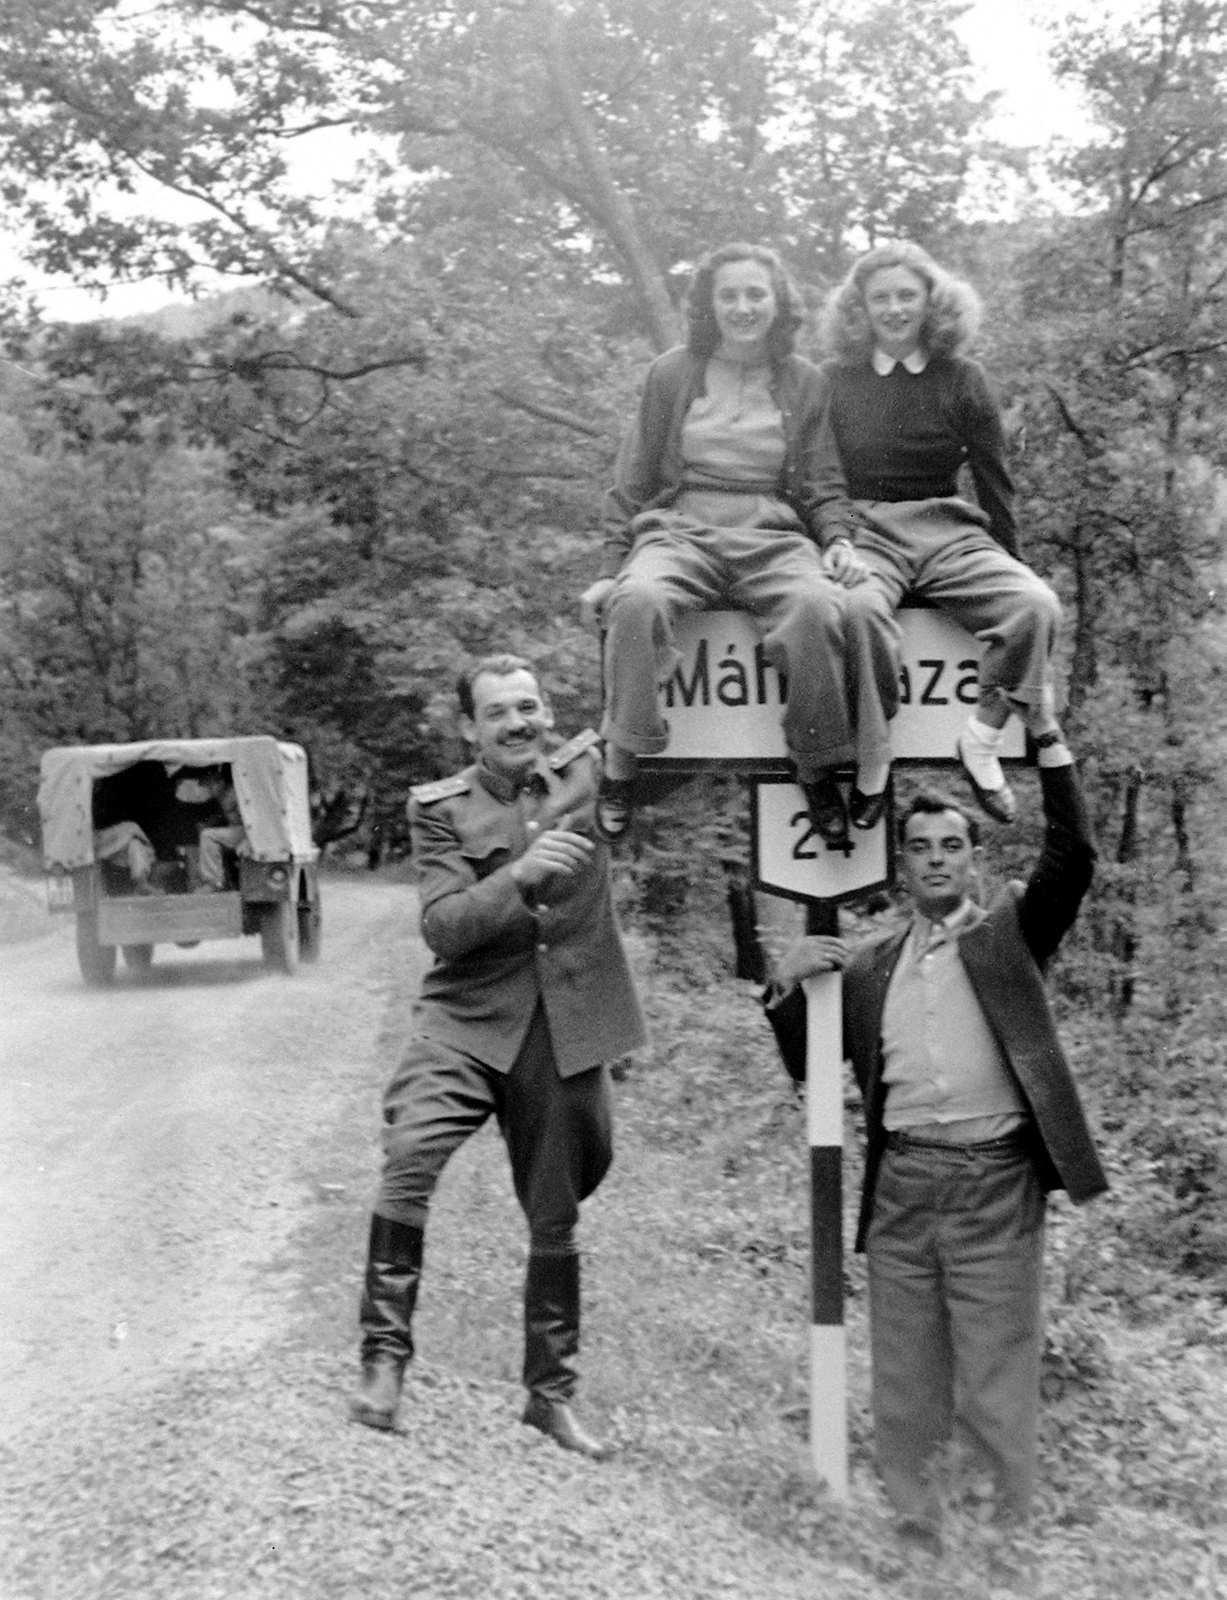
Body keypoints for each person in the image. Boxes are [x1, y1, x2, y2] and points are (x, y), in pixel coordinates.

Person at [772, 738, 1106, 1561]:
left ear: (974, 858)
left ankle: (996, 1549)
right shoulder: (870, 964)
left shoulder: (1010, 936)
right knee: (906, 1378)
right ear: (900, 866)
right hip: (904, 1185)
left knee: (995, 1379)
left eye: (950, 846)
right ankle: (916, 1537)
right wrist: (784, 988)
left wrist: (1049, 747)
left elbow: (1075, 854)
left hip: (994, 1183)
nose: (933, 861)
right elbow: (807, 1071)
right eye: (918, 849)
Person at [350, 654, 647, 1458]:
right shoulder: (439, 809)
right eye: (499, 713)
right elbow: (443, 926)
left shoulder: (589, 771)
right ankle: (383, 1362)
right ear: (469, 728)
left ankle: (549, 1398)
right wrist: (519, 875)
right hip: (466, 1020)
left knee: (556, 1210)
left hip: (565, 1025)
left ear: (547, 711)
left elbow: (667, 738)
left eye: (530, 706)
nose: (520, 723)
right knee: (409, 1156)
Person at [581, 242, 892, 849]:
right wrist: (609, 568)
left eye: (756, 294)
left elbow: (824, 482)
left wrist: (837, 540)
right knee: (637, 600)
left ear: (777, 304)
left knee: (815, 607)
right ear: (709, 304)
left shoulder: (804, 381)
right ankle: (622, 762)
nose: (743, 307)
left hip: (771, 532)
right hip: (682, 526)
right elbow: (634, 477)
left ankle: (816, 764)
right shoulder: (672, 373)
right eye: (729, 295)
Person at [818, 240, 1065, 825]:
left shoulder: (963, 378)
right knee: (855, 612)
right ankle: (873, 758)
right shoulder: (832, 379)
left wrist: (1013, 561)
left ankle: (980, 741)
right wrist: (836, 541)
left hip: (947, 529)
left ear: (932, 302)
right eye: (881, 298)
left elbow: (993, 479)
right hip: (866, 529)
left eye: (908, 295)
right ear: (861, 307)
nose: (896, 309)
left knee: (1035, 605)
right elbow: (818, 474)